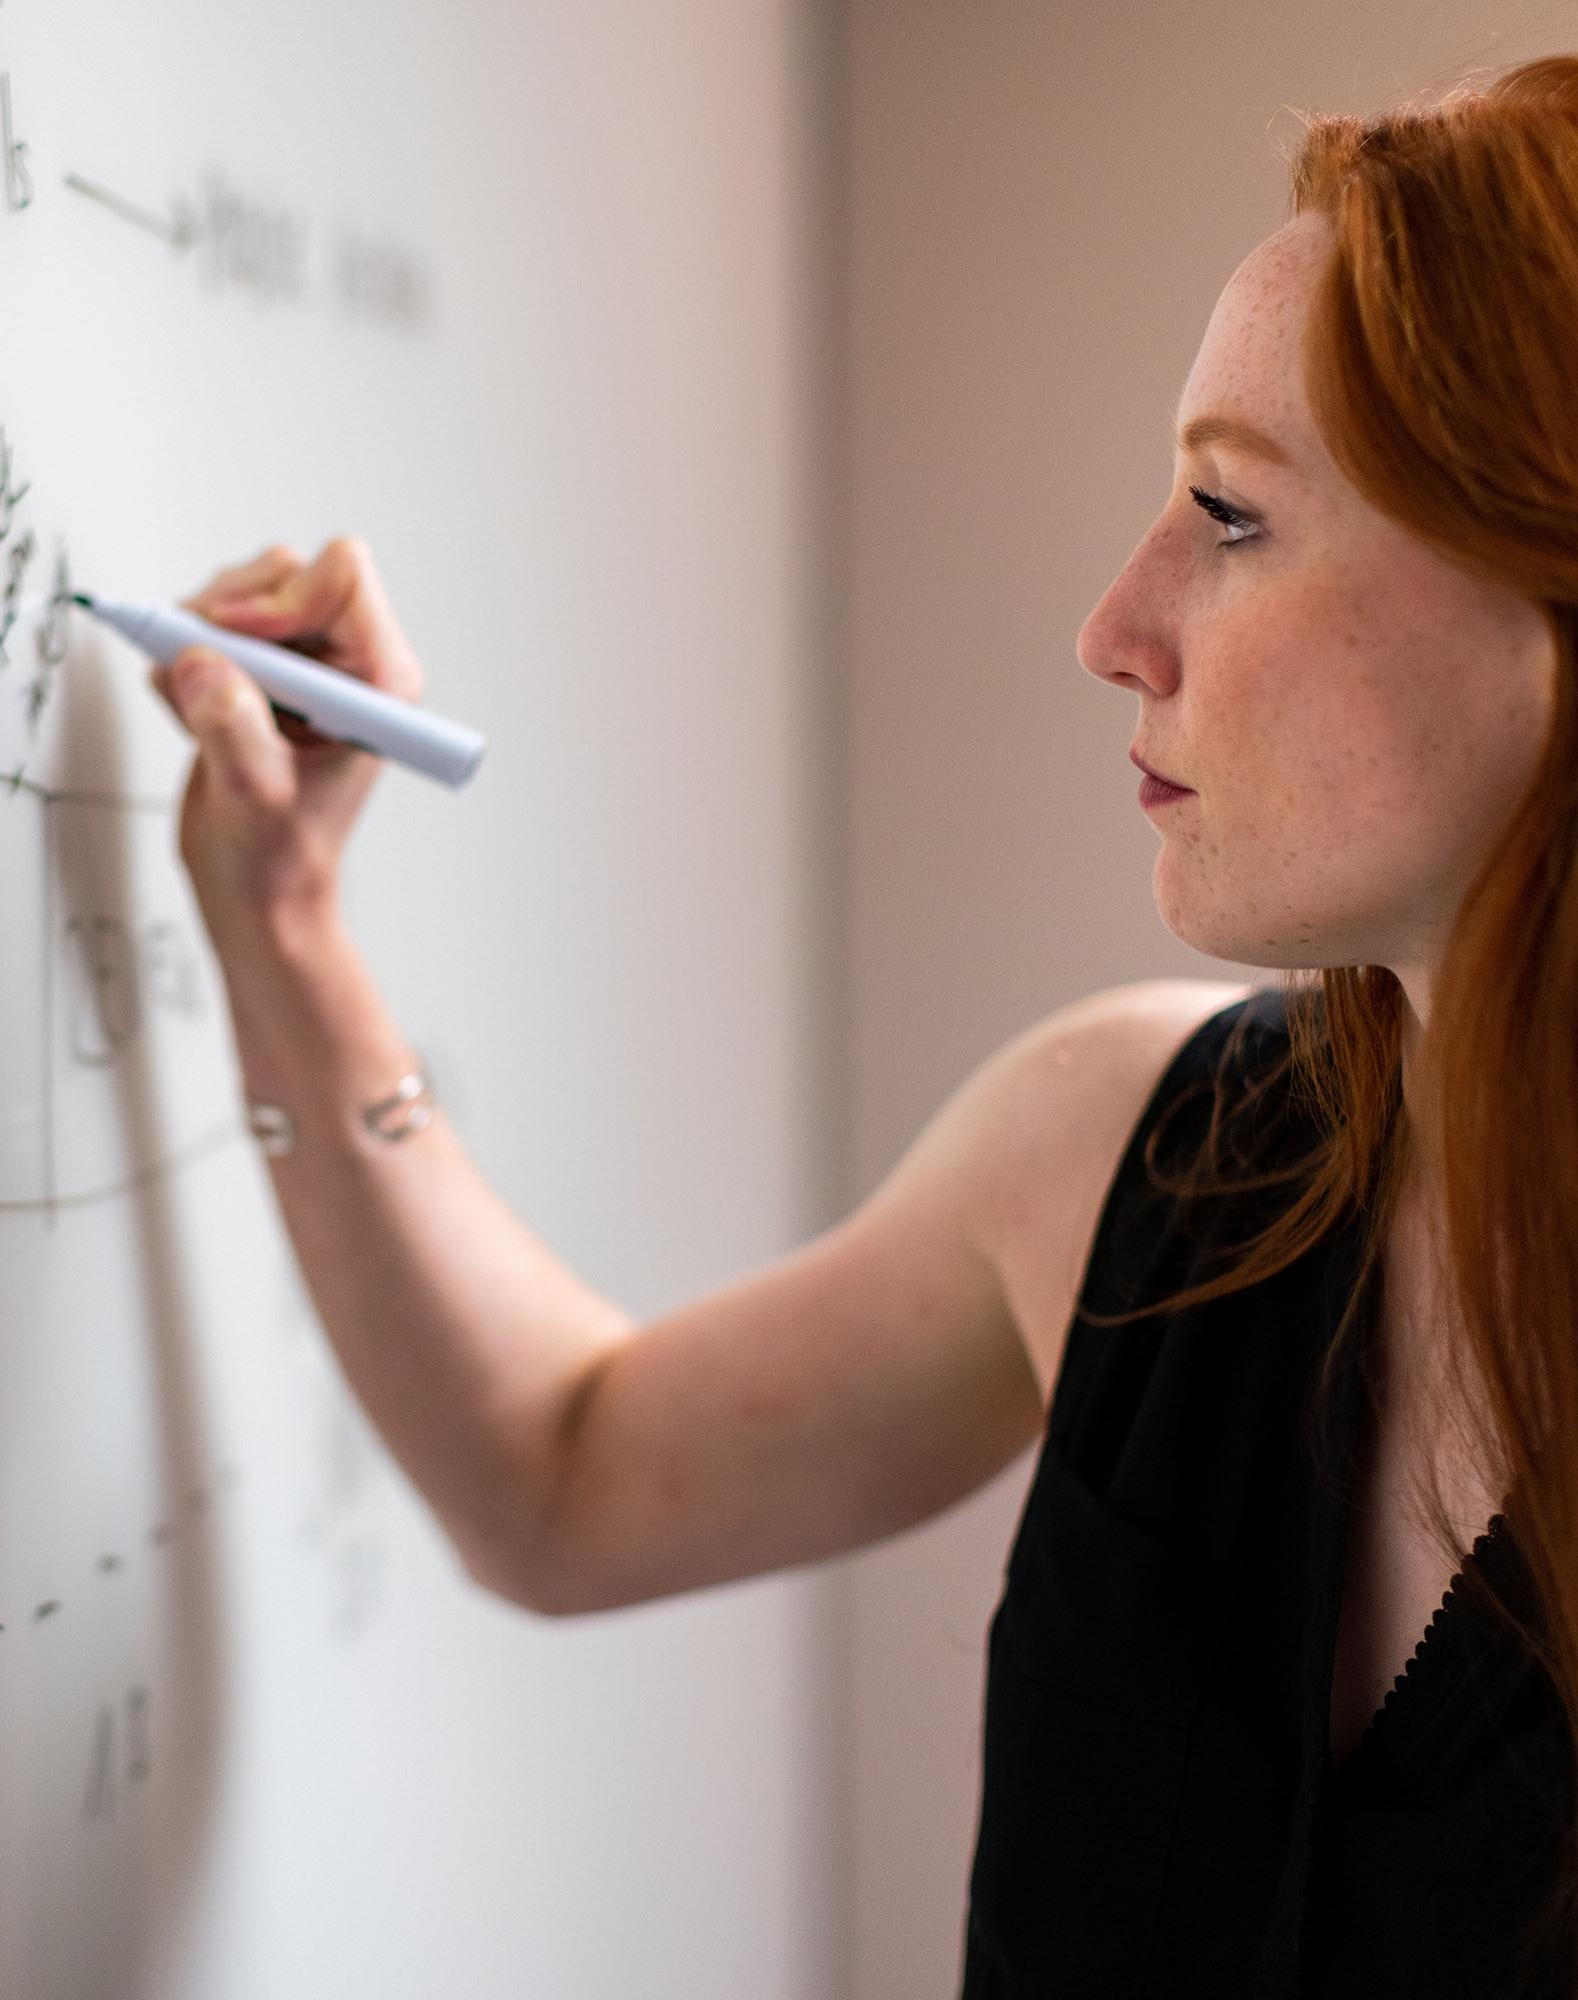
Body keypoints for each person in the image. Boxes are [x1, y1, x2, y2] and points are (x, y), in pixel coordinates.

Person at [149, 53, 1578, 2000]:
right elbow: (558, 1476)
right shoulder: (1134, 1154)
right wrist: (290, 924)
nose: (1115, 621)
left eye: (1231, 516)